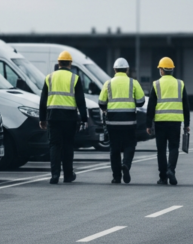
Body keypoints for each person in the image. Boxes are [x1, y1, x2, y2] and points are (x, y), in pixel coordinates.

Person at [39, 50, 88, 184]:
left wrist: (42, 118)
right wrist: (84, 119)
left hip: (53, 116)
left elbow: (43, 100)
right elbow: (81, 101)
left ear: (58, 63)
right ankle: (68, 175)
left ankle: (55, 176)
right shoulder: (75, 78)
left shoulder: (49, 77)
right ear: (70, 64)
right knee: (68, 146)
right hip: (69, 117)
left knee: (54, 145)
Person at [98, 57, 145, 184]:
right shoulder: (133, 83)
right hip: (129, 122)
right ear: (127, 70)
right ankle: (126, 165)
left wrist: (107, 108)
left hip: (112, 122)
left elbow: (101, 102)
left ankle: (116, 177)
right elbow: (141, 102)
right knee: (130, 145)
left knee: (114, 149)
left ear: (114, 69)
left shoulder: (108, 83)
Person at [146, 56, 190, 185]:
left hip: (160, 122)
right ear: (172, 70)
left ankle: (163, 177)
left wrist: (148, 124)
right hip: (175, 122)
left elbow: (151, 106)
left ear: (161, 70)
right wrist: (187, 124)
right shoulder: (180, 84)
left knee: (161, 150)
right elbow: (186, 105)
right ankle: (171, 170)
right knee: (173, 148)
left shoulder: (156, 84)